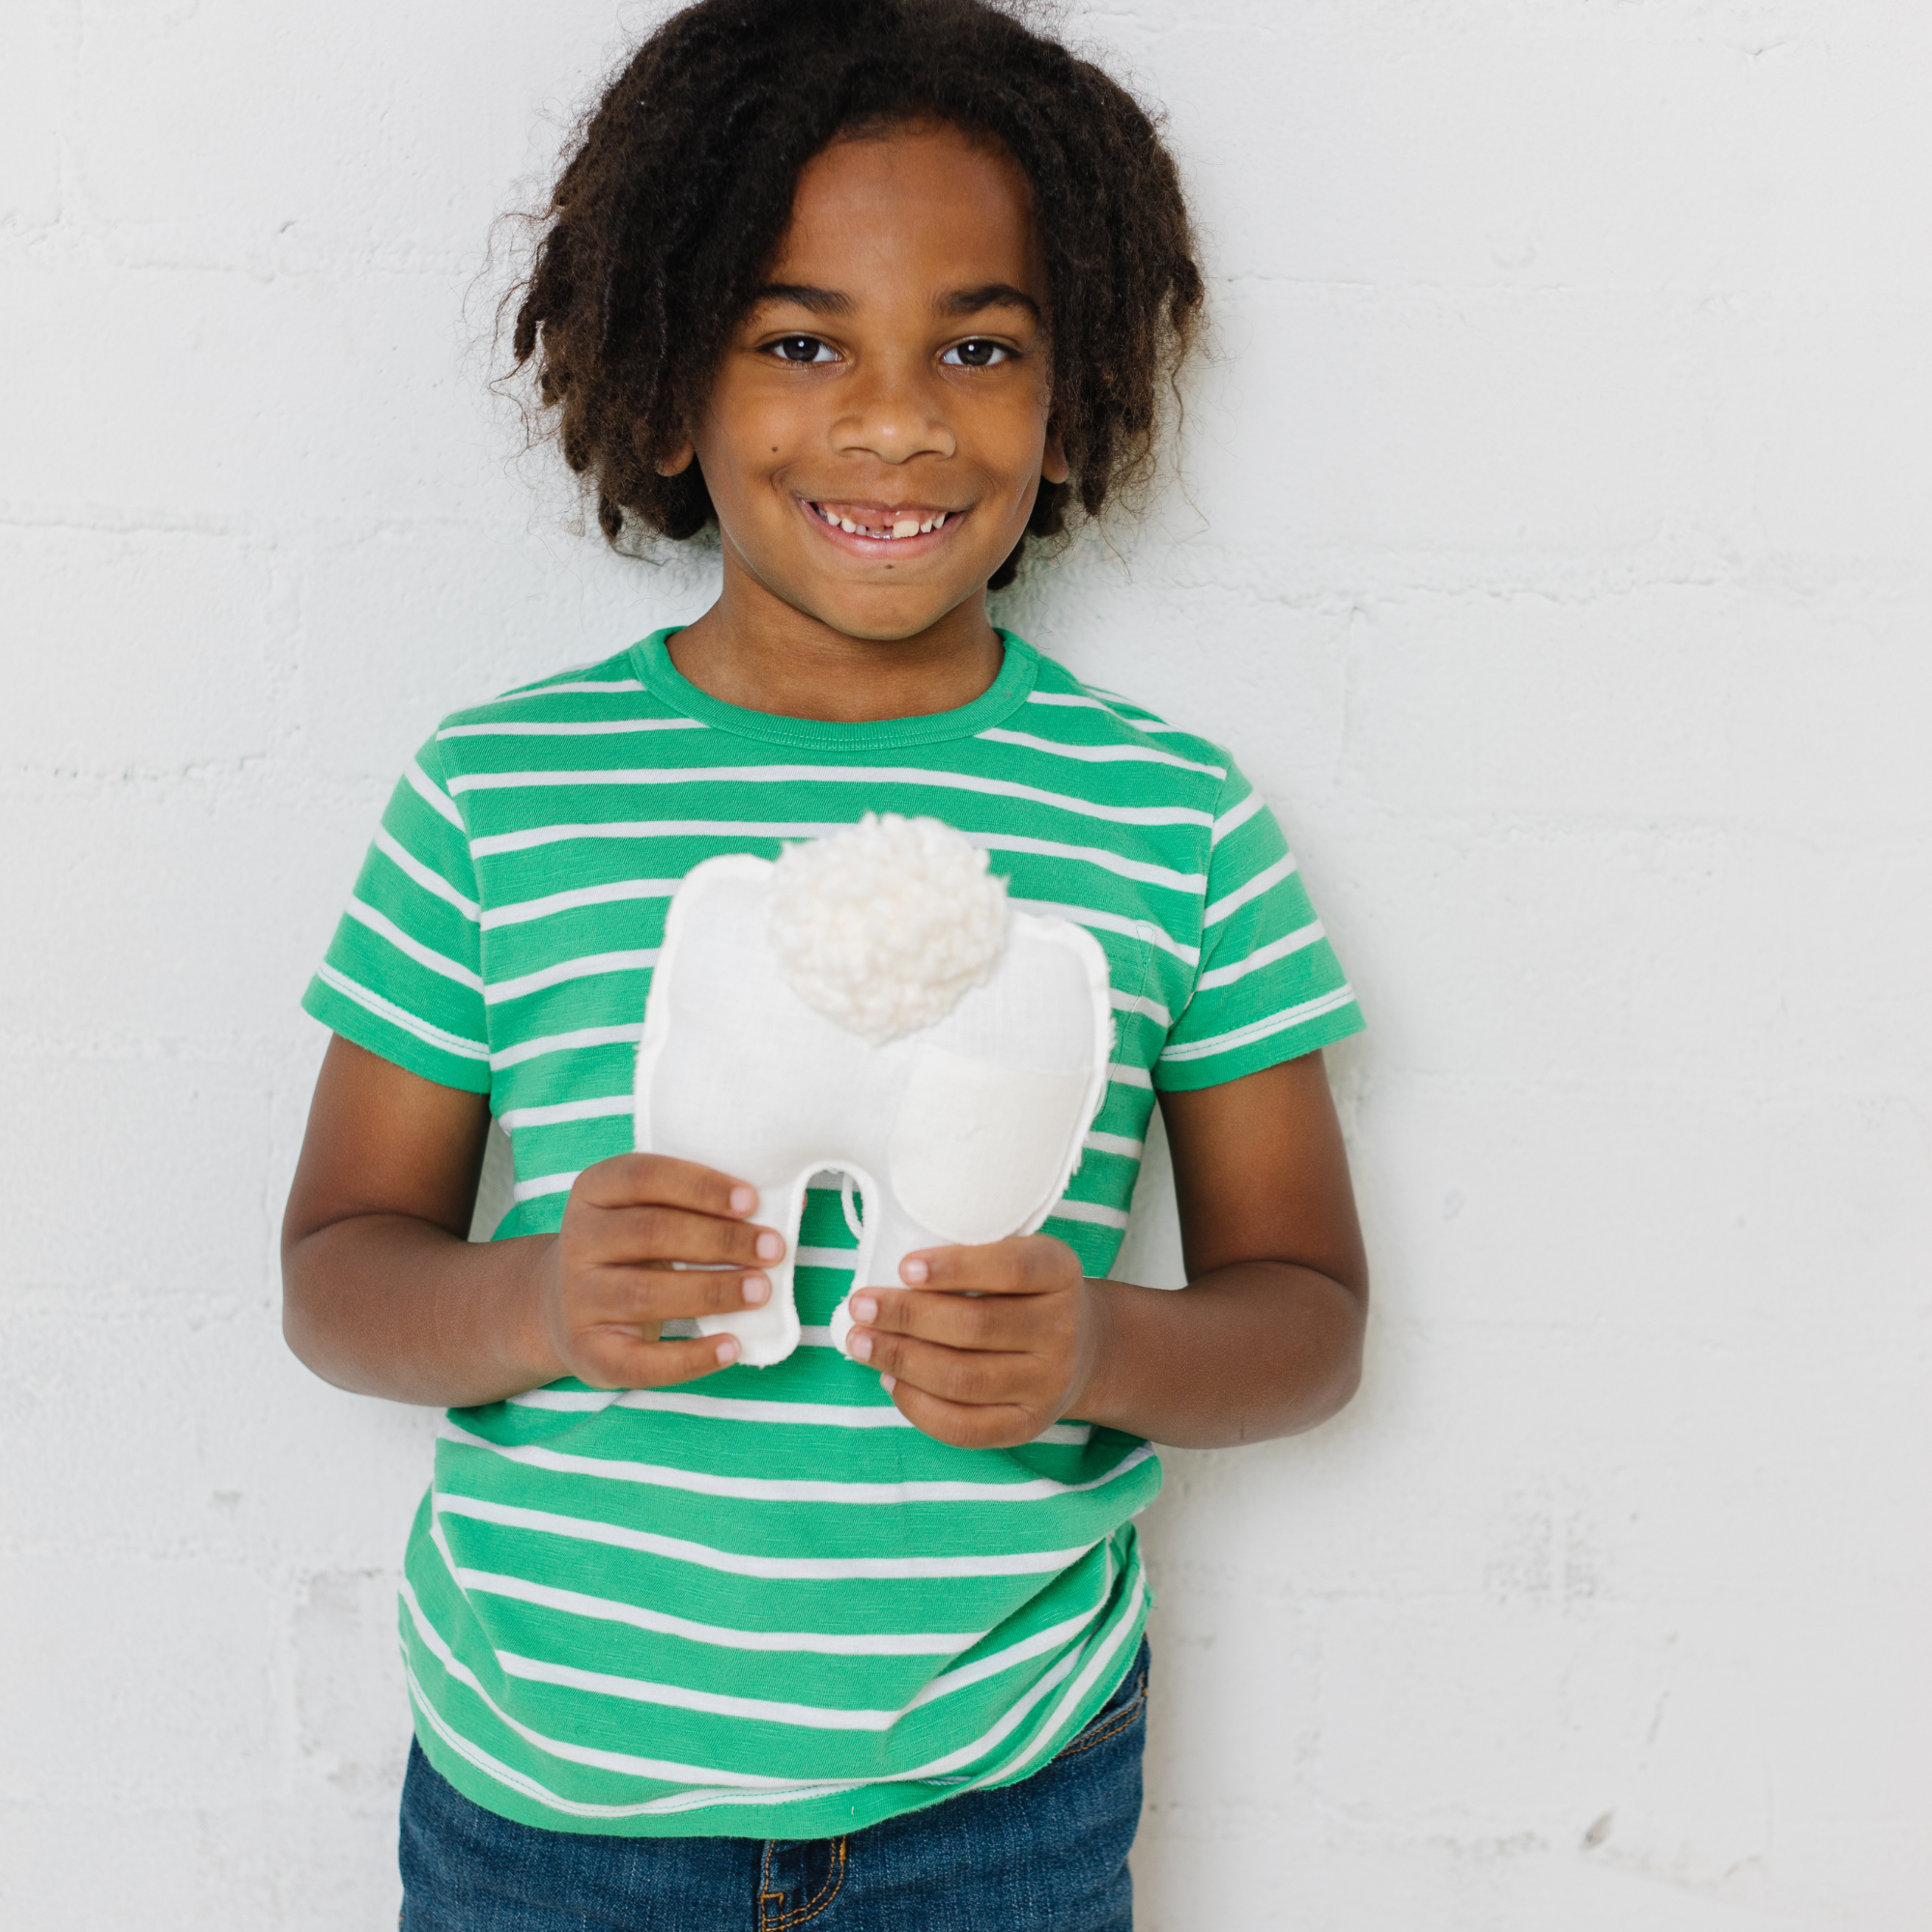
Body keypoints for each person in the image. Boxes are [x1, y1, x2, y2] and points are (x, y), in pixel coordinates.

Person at [280, 1, 1370, 1924]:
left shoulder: (1169, 818)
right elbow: (336, 1273)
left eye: (977, 344)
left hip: (1000, 1790)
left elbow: (1305, 1314)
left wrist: (1106, 1347)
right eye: (799, 341)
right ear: (663, 378)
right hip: (555, 1802)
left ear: (1073, 385)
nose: (895, 419)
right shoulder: (500, 791)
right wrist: (540, 1300)